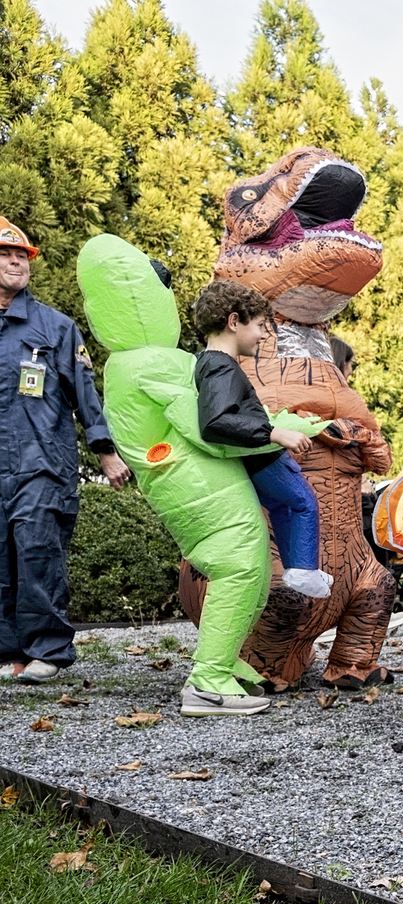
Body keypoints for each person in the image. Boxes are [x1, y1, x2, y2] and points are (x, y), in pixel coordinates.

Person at [79, 234, 320, 714]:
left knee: (248, 567)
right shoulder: (154, 361)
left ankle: (224, 662)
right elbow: (210, 428)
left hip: (188, 481)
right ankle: (208, 680)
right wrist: (276, 431)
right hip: (198, 483)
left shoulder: (126, 363)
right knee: (240, 565)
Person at [0, 218, 130, 683]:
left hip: (40, 465)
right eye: (6, 255)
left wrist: (106, 451)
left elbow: (85, 394)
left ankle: (49, 652)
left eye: (22, 256)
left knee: (37, 555)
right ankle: (11, 653)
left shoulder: (55, 328)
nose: (16, 262)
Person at [192, 281, 331, 600]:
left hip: (257, 457)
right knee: (304, 502)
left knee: (285, 507)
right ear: (233, 321)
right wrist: (274, 433)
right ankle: (303, 570)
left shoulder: (212, 364)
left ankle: (298, 568)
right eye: (258, 326)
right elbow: (215, 421)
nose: (263, 335)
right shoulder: (220, 366)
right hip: (263, 457)